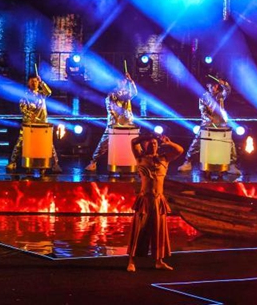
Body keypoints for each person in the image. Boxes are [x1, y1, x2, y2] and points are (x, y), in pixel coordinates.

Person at [126, 133, 183, 272]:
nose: (153, 145)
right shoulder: (140, 158)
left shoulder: (164, 159)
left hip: (158, 200)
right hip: (145, 199)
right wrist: (146, 136)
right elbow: (133, 142)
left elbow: (179, 150)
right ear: (145, 145)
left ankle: (159, 261)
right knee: (139, 230)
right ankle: (131, 261)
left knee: (159, 231)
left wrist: (169, 143)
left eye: (155, 143)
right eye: (150, 143)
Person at [177, 77, 241, 175]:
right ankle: (188, 162)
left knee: (230, 143)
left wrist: (224, 83)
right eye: (212, 85)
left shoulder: (220, 96)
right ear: (208, 86)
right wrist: (208, 118)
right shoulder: (203, 97)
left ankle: (232, 165)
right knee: (197, 142)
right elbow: (203, 111)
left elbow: (228, 90)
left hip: (221, 123)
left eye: (216, 85)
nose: (214, 87)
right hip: (207, 124)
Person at [6, 72, 62, 173]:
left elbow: (49, 92)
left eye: (36, 81)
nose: (34, 83)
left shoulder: (41, 94)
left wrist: (42, 83)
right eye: (32, 81)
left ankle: (55, 164)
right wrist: (31, 116)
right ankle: (12, 161)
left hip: (43, 124)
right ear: (28, 83)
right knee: (20, 142)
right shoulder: (25, 95)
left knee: (49, 144)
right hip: (29, 124)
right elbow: (23, 109)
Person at [86, 73, 137, 172]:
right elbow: (110, 109)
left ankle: (132, 163)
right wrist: (116, 122)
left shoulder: (127, 93)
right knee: (104, 144)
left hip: (127, 123)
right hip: (114, 124)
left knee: (131, 143)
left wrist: (131, 81)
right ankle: (93, 162)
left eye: (124, 81)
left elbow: (134, 93)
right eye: (122, 80)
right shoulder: (112, 94)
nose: (123, 82)